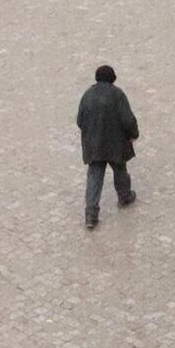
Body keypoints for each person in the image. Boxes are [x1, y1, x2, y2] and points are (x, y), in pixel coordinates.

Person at [74, 65, 139, 230]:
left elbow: (80, 120)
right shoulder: (117, 95)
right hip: (115, 143)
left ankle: (91, 214)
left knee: (94, 176)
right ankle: (124, 197)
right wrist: (133, 134)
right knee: (120, 170)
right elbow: (128, 119)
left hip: (94, 145)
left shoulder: (87, 95)